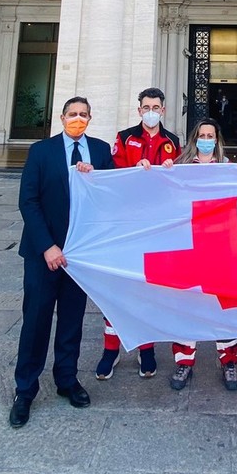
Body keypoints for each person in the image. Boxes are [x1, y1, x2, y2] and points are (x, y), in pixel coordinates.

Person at [10, 97, 114, 428]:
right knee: (36, 320)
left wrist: (94, 177)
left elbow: (111, 197)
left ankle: (67, 379)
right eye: (73, 114)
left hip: (79, 255)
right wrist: (48, 247)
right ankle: (25, 389)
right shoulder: (41, 151)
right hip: (45, 255)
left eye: (84, 114)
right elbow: (28, 201)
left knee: (72, 320)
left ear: (90, 118)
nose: (78, 119)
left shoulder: (99, 151)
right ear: (62, 117)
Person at [95, 87, 181, 381]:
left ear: (164, 110)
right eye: (146, 107)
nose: (151, 111)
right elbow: (113, 175)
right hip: (126, 223)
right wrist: (136, 169)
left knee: (147, 288)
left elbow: (179, 187)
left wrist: (169, 171)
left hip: (156, 226)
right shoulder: (124, 138)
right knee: (117, 287)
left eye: (156, 106)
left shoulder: (173, 142)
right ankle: (111, 349)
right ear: (139, 110)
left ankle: (146, 349)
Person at [167, 118, 237, 393]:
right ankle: (184, 360)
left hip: (220, 245)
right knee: (188, 305)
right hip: (189, 244)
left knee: (223, 305)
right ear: (194, 139)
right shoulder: (181, 168)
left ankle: (229, 360)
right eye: (202, 135)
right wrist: (163, 173)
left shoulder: (228, 168)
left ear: (217, 139)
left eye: (211, 135)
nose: (206, 140)